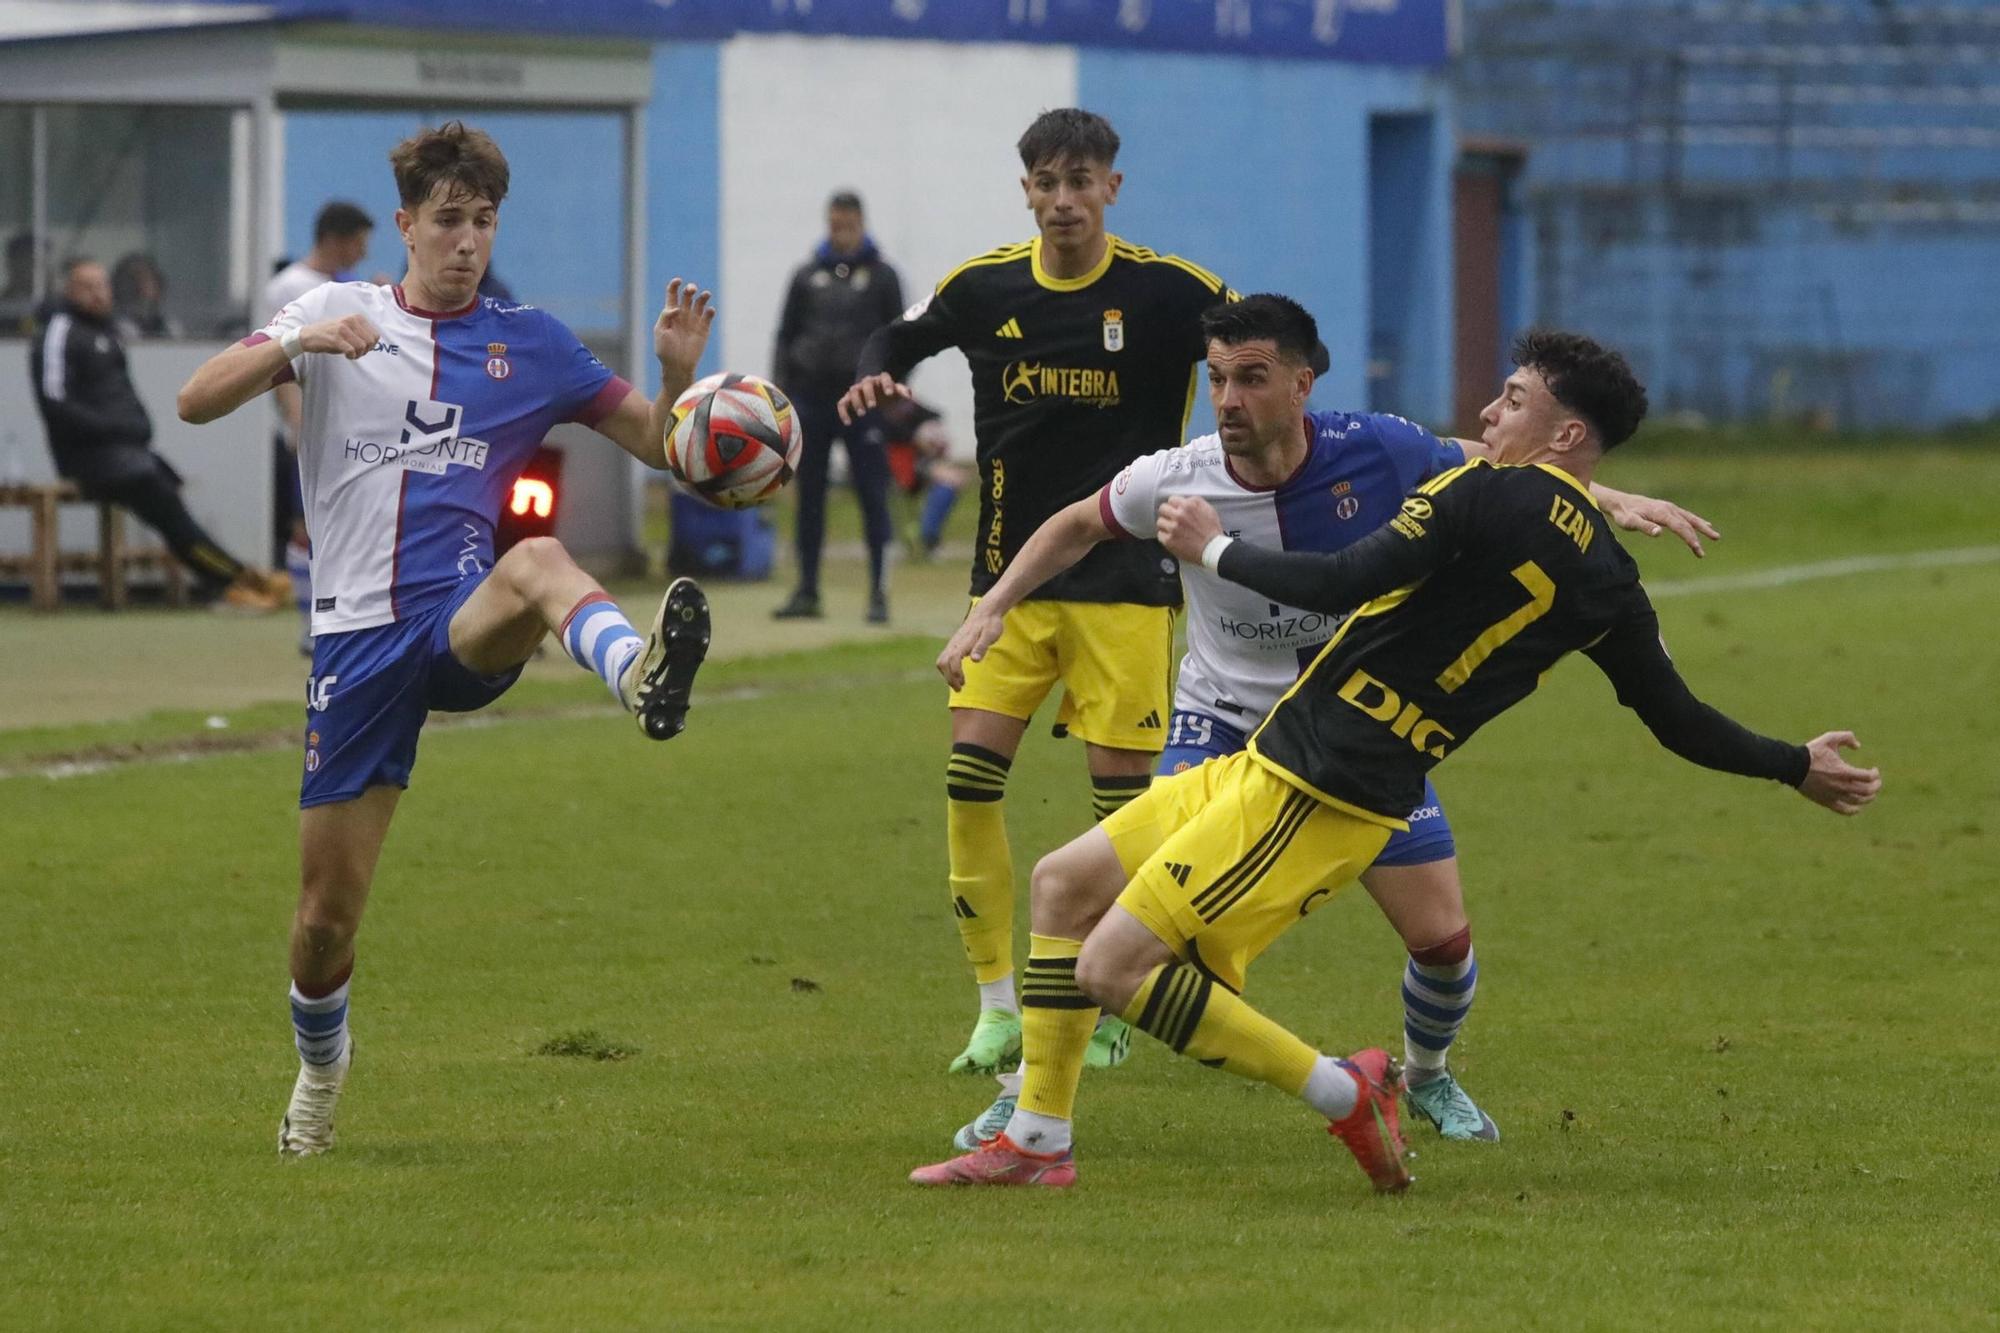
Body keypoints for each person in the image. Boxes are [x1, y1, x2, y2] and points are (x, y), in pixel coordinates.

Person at [911, 327, 1879, 1192]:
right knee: (1061, 882)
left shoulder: (1481, 494)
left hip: (1325, 781)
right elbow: (1677, 718)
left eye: (1512, 399)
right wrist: (1792, 762)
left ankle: (1345, 1093)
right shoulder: (1607, 580)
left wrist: (1209, 552)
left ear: (1563, 434)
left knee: (1115, 966)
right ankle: (1037, 1136)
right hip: (1291, 754)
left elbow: (1341, 577)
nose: (1487, 411)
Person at [175, 120, 719, 1157]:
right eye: (448, 220)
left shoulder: (535, 344)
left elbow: (670, 449)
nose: (467, 241)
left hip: (462, 622)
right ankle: (319, 1076)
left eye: (482, 221)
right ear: (406, 225)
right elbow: (196, 401)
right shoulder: (335, 311)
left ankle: (638, 673)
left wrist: (676, 375)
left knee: (538, 556)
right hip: (354, 643)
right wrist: (296, 346)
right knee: (326, 919)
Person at [839, 109, 1244, 1075]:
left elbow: (1259, 344)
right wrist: (872, 379)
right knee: (969, 778)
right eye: (1046, 183)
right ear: (1025, 190)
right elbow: (896, 336)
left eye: (1081, 181)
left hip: (1127, 588)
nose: (1063, 200)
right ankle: (993, 1003)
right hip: (1007, 587)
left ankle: (1114, 992)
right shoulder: (984, 289)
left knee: (1121, 810)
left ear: (1112, 187)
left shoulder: (1165, 293)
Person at [29, 257, 285, 609]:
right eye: (87, 287)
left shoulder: (107, 332)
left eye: (102, 286)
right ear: (69, 290)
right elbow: (55, 402)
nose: (98, 295)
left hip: (127, 454)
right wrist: (113, 430)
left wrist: (136, 428)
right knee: (164, 503)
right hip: (86, 458)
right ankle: (231, 582)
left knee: (170, 494)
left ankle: (237, 577)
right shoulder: (58, 332)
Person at [771, 191, 904, 624]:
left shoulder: (883, 276)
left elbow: (900, 339)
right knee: (809, 497)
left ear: (861, 223)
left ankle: (879, 594)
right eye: (834, 224)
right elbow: (785, 337)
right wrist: (781, 396)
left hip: (862, 401)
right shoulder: (805, 276)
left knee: (872, 495)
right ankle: (807, 590)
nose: (840, 231)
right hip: (810, 400)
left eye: (847, 223)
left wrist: (888, 389)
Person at [266, 201, 377, 650]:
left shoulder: (346, 287)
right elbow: (278, 357)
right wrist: (295, 421)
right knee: (304, 524)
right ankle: (309, 627)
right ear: (336, 238)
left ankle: (337, 621)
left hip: (345, 427)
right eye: (360, 243)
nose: (364, 254)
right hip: (308, 425)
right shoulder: (290, 286)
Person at [863, 394, 966, 560]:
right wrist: (916, 438)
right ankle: (918, 536)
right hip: (895, 468)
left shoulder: (908, 403)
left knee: (952, 481)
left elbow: (934, 415)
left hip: (916, 465)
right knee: (949, 478)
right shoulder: (876, 410)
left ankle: (928, 535)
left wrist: (927, 436)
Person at [110, 253, 185, 340]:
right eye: (137, 280)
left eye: (150, 280)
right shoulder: (116, 327)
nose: (145, 286)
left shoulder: (171, 327)